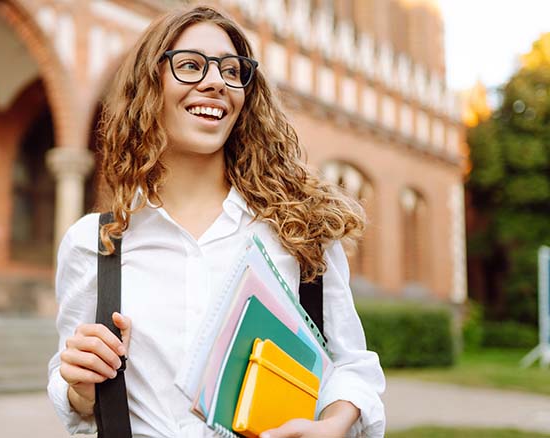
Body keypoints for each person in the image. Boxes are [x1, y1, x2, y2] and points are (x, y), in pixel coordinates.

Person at [47, 5, 385, 437]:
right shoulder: (93, 244)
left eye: (231, 70)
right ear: (150, 86)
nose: (214, 82)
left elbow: (352, 366)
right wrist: (80, 386)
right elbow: (74, 391)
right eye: (190, 65)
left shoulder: (299, 231)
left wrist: (333, 425)